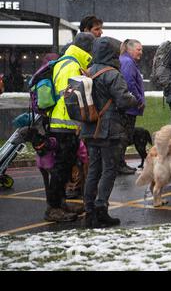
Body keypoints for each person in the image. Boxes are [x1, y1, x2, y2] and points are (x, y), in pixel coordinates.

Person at [81, 37, 138, 228]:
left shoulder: (88, 71)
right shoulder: (112, 74)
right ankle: (101, 209)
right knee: (109, 169)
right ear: (112, 53)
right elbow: (123, 100)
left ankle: (89, 211)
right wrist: (134, 100)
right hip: (108, 129)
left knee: (93, 170)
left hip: (90, 129)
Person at [46, 32, 95, 222]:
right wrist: (78, 124)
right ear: (85, 49)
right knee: (61, 169)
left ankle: (60, 202)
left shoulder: (69, 62)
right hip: (64, 125)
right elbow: (72, 99)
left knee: (65, 168)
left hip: (63, 125)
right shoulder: (71, 65)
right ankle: (53, 208)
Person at [117, 39, 145, 175]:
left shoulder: (125, 61)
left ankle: (119, 163)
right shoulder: (128, 63)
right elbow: (130, 84)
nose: (141, 52)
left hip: (127, 106)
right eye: (139, 49)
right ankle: (120, 164)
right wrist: (139, 99)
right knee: (124, 136)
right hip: (129, 107)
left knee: (123, 136)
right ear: (130, 49)